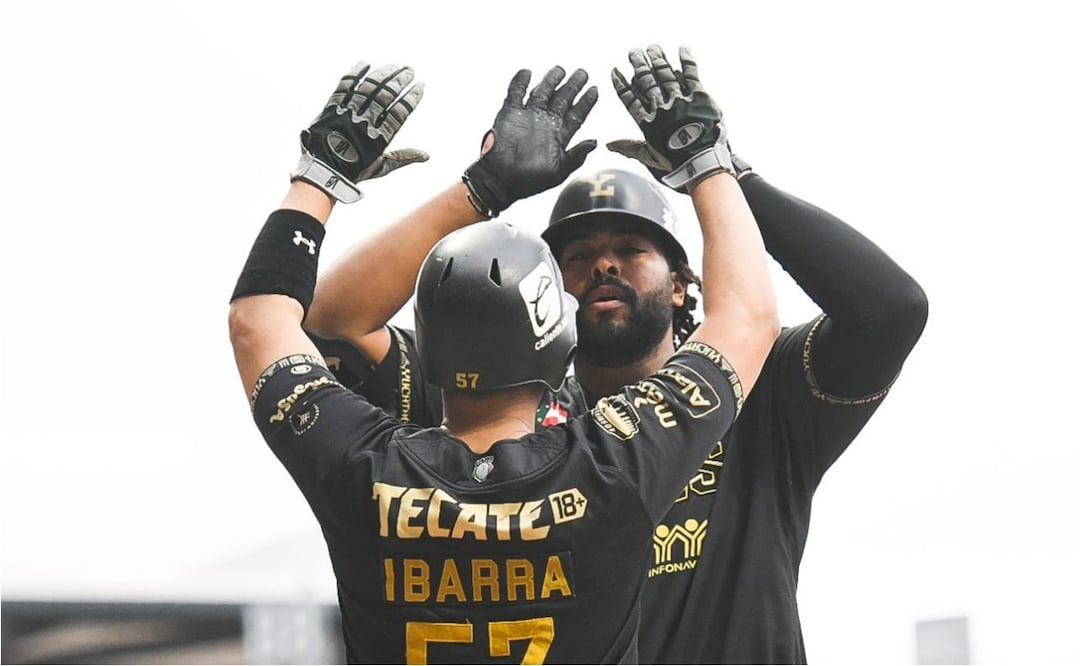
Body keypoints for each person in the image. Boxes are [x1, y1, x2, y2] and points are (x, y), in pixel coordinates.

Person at [306, 45, 928, 664]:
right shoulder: (494, 406)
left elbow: (890, 309)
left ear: (684, 283)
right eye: (577, 257)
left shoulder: (760, 389)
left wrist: (728, 174)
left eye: (631, 248)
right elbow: (333, 322)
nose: (603, 264)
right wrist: (482, 188)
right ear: (547, 294)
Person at [229, 57, 778, 664]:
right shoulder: (615, 465)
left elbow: (261, 321)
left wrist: (321, 174)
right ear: (558, 342)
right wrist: (708, 163)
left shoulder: (363, 465)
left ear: (425, 348)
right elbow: (747, 318)